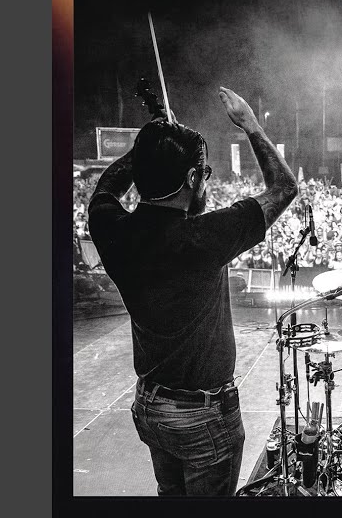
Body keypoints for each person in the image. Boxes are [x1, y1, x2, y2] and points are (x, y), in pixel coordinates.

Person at [88, 86, 297, 496]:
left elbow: (106, 188)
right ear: (190, 178)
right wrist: (250, 125)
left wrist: (151, 142)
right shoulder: (204, 238)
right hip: (202, 418)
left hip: (151, 406)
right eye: (204, 173)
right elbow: (284, 188)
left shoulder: (110, 228)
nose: (206, 180)